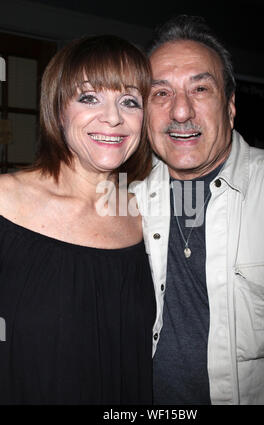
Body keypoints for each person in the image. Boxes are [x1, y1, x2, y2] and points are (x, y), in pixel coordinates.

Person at [131, 15, 264, 404]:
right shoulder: (126, 196)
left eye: (201, 89)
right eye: (160, 93)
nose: (180, 112)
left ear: (230, 105)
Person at [0, 35, 156, 404]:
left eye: (130, 101)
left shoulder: (148, 219)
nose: (114, 117)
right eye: (89, 97)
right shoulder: (4, 200)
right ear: (57, 110)